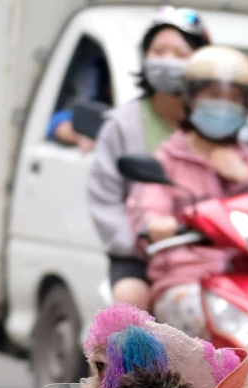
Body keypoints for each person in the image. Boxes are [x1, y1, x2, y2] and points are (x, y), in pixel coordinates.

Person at [127, 45, 248, 339]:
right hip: (185, 282)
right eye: (214, 95)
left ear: (246, 106)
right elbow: (148, 212)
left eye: (233, 98)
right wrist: (158, 225)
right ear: (190, 98)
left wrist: (242, 178)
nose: (223, 105)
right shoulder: (167, 160)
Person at [87, 6, 211, 310]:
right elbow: (104, 199)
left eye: (181, 53)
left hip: (211, 251)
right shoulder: (122, 124)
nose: (168, 61)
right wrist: (141, 239)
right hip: (140, 253)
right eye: (159, 51)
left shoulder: (217, 124)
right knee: (131, 305)